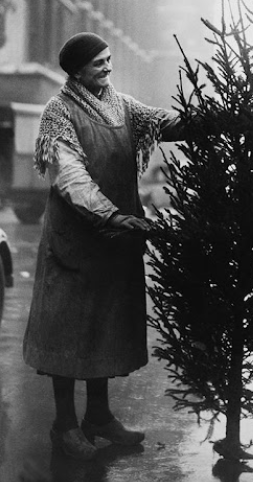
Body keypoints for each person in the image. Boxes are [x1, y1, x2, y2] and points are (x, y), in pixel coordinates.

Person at [23, 32, 189, 461]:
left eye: (109, 59)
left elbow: (166, 122)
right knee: (67, 334)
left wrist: (215, 119)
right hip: (76, 241)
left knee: (104, 328)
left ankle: (99, 416)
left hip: (113, 241)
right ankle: (65, 425)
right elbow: (71, 177)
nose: (108, 67)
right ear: (77, 70)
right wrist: (114, 216)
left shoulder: (120, 105)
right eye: (99, 63)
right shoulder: (58, 112)